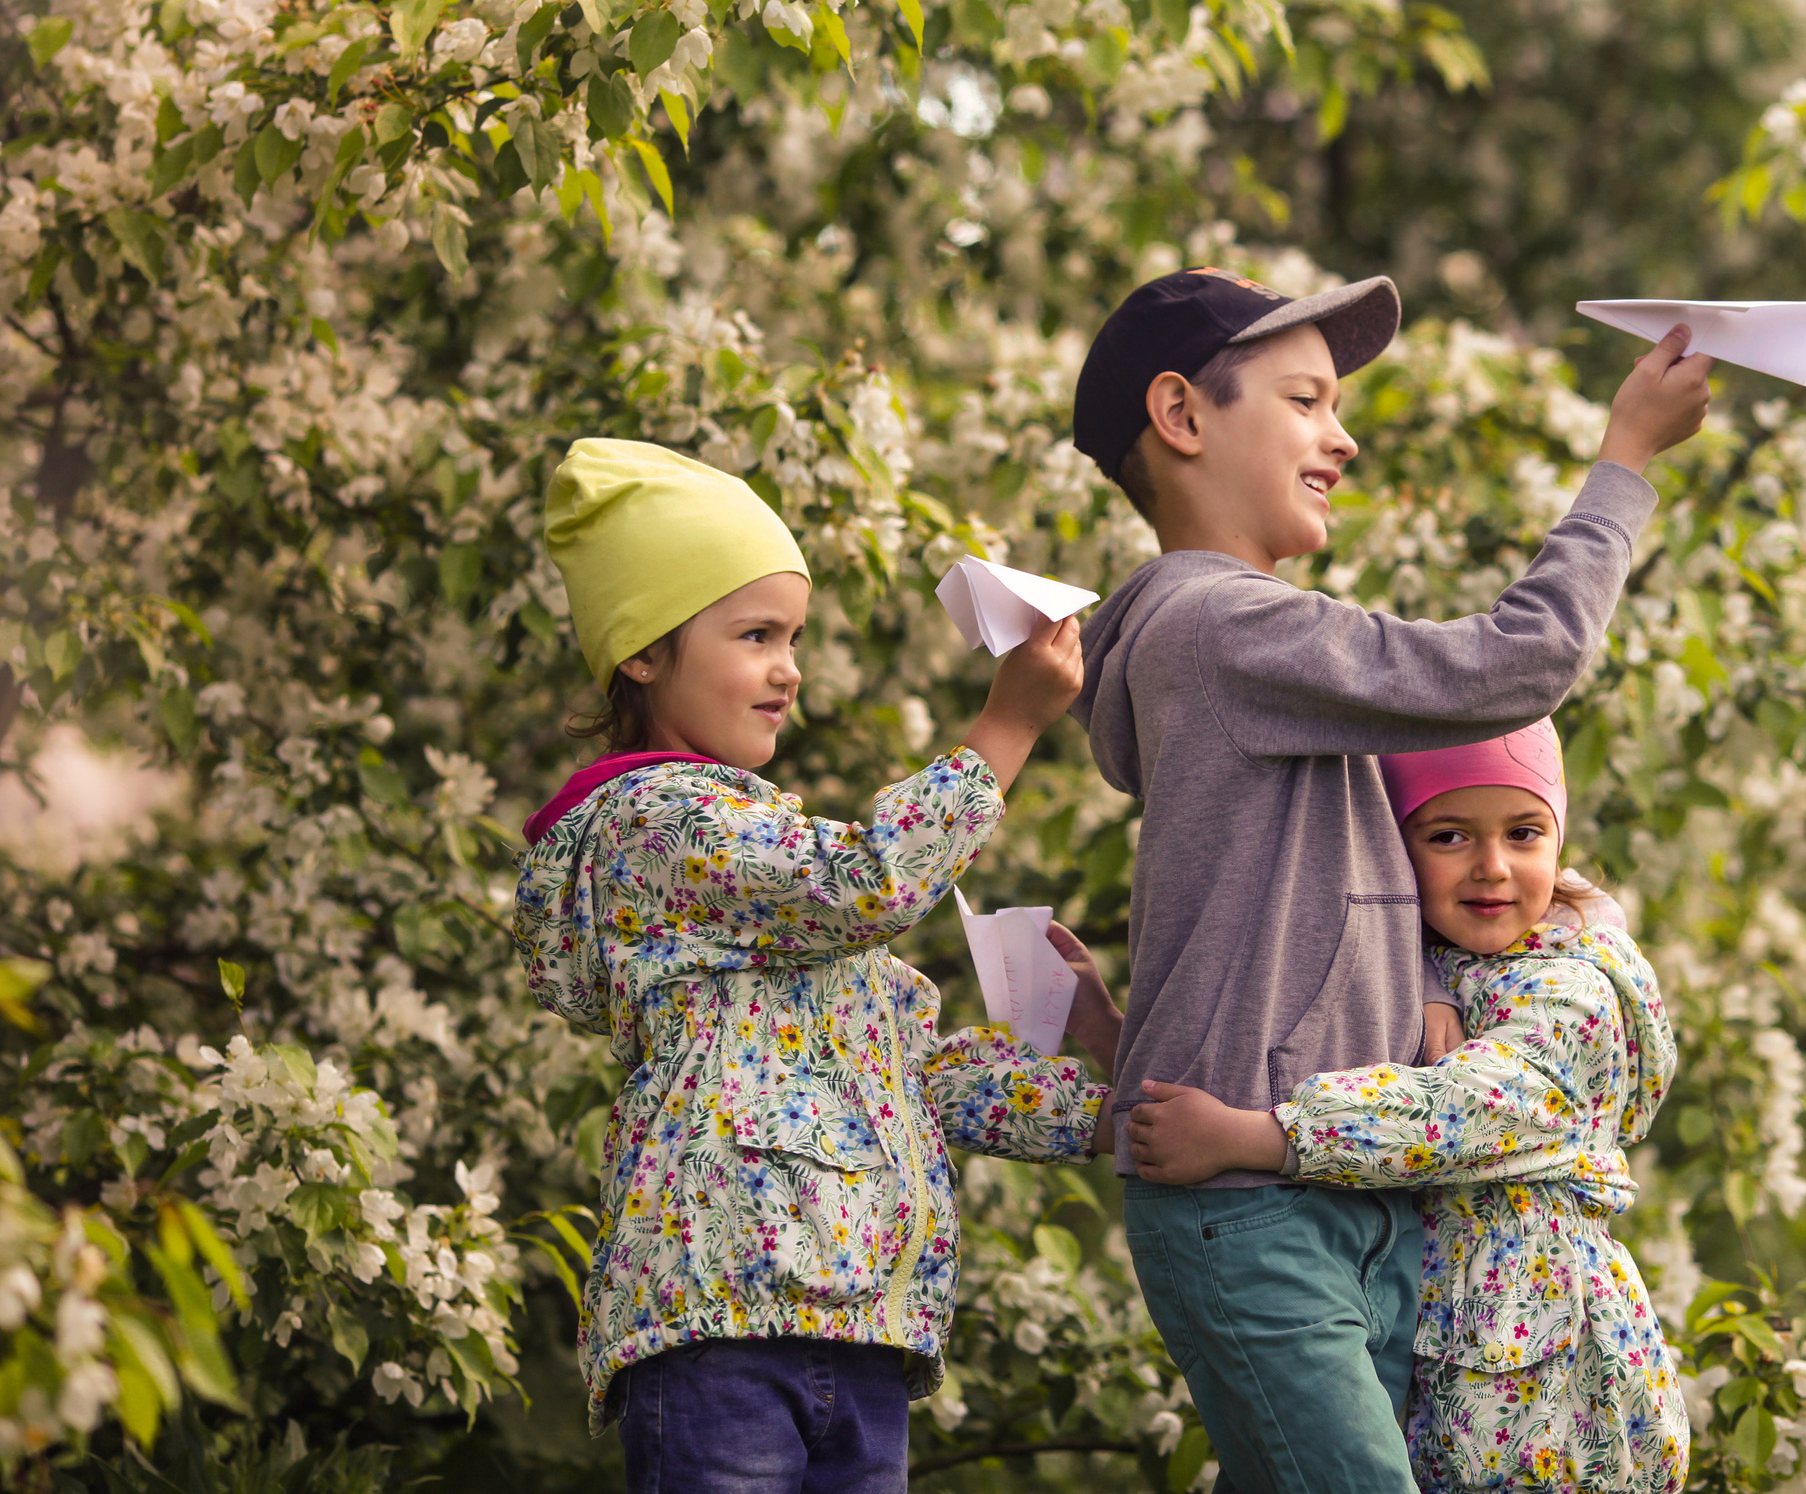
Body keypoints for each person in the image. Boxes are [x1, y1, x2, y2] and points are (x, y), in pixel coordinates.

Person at [1069, 265, 1710, 1492]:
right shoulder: (1223, 628)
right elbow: (1520, 662)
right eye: (1306, 400)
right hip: (1258, 1211)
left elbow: (1264, 938)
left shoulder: (1237, 662)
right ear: (1182, 416)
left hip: (1349, 1203)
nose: (1343, 436)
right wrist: (1626, 458)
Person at [509, 438, 1122, 1493]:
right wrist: (1005, 727)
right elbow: (865, 882)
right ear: (643, 655)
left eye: (793, 637)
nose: (788, 667)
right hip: (721, 1320)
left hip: (865, 1328)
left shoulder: (774, 889)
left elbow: (922, 1082)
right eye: (755, 635)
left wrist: (1110, 1107)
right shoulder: (655, 826)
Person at [1126, 719, 1689, 1492]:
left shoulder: (1576, 995)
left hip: (1550, 1412)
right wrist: (1110, 1037)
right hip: (1447, 1378)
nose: (1493, 866)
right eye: (1449, 835)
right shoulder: (1421, 969)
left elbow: (1457, 1110)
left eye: (1525, 832)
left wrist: (1259, 1137)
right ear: (1394, 850)